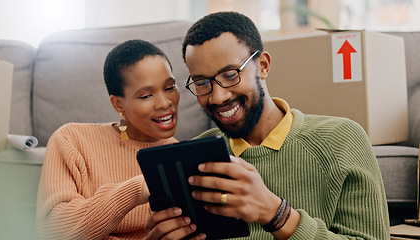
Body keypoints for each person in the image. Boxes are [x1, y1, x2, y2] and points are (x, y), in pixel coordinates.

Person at [146, 11, 390, 240]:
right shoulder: (194, 156)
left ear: (262, 66)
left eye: (231, 75)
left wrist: (278, 215)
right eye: (202, 83)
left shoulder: (342, 139)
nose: (218, 97)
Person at [36, 39, 200, 239]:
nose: (165, 103)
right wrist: (136, 189)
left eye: (169, 87)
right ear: (118, 105)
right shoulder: (71, 140)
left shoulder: (182, 157)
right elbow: (52, 231)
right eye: (146, 95)